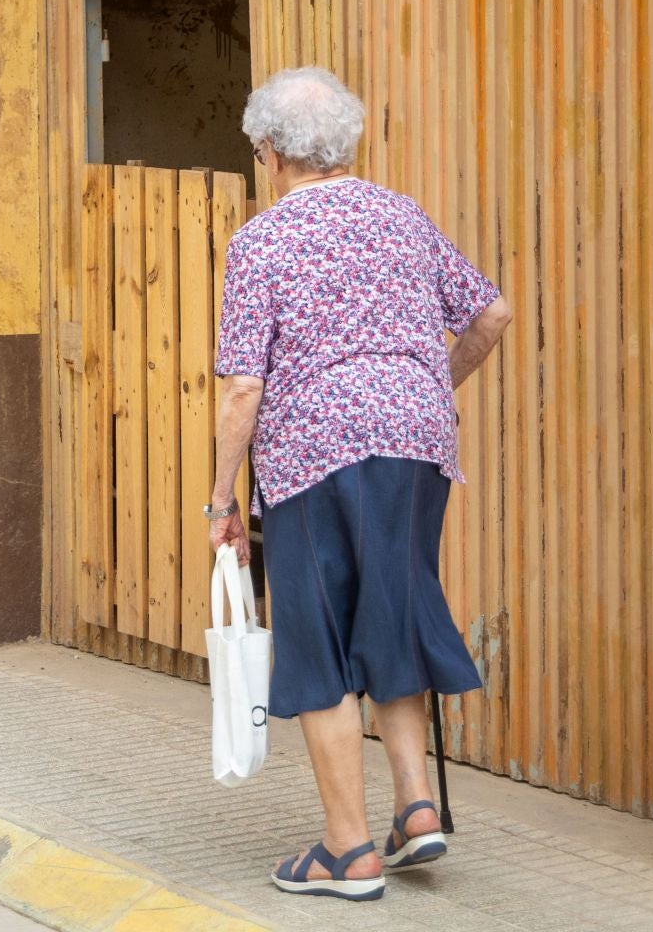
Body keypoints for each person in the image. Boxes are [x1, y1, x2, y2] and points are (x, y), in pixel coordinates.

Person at [207, 67, 512, 903]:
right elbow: (491, 314)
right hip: (417, 443)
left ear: (269, 155)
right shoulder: (400, 215)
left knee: (321, 639)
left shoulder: (262, 242)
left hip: (313, 452)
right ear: (344, 144)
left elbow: (242, 387)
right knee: (393, 610)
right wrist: (418, 389)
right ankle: (416, 810)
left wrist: (222, 500)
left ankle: (348, 851)